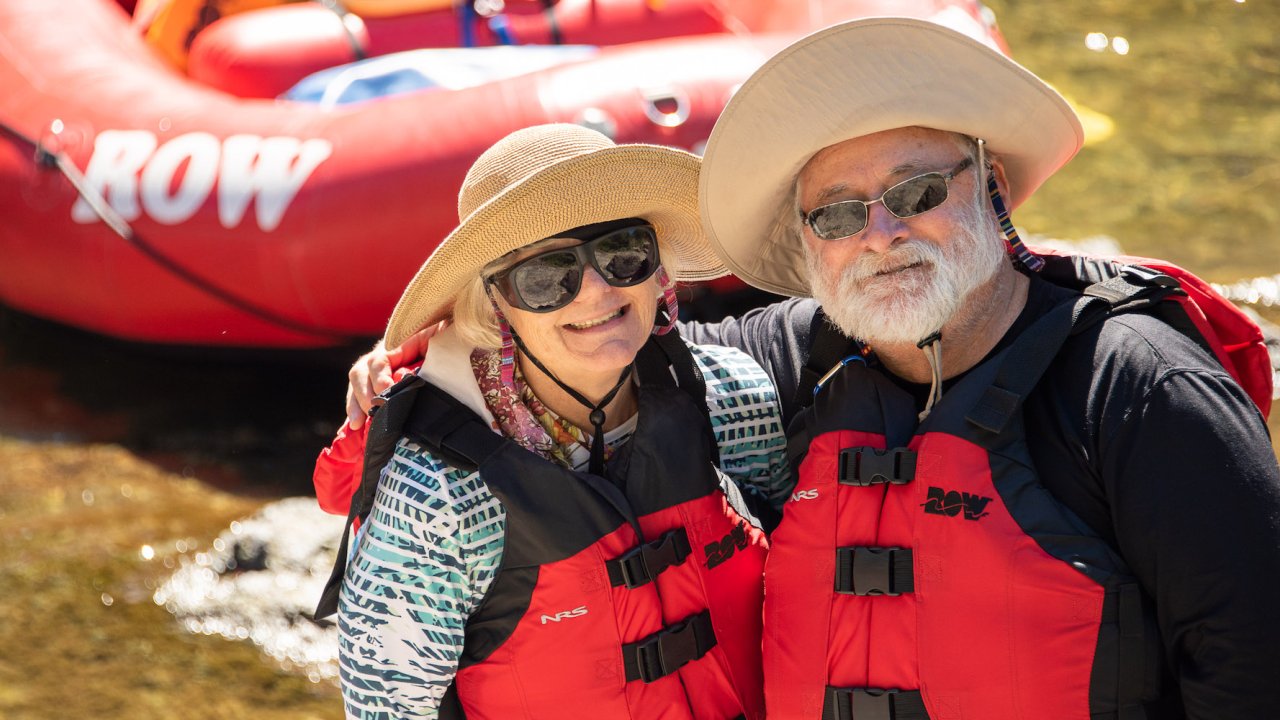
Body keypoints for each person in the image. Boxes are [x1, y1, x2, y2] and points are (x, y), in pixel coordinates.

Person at [335, 16, 1280, 720]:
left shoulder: (1138, 387)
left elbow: (1252, 669)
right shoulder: (788, 364)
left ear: (991, 188)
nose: (880, 236)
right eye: (835, 215)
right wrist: (419, 374)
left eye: (916, 192)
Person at [317, 123, 790, 720]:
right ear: (495, 305)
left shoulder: (733, 397)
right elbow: (385, 708)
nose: (595, 291)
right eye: (546, 275)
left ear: (658, 270)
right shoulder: (434, 494)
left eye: (624, 253)